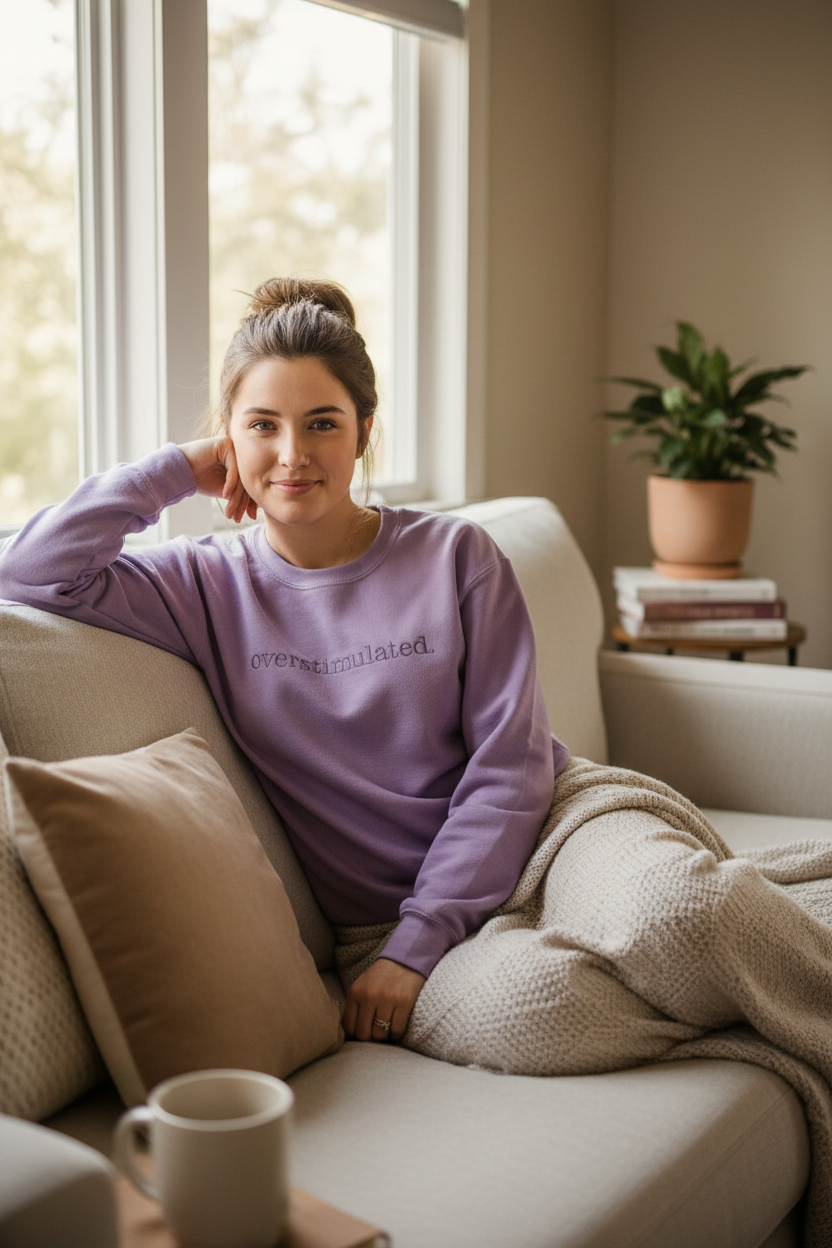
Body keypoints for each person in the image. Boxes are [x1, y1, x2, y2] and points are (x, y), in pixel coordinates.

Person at [0, 277, 569, 1046]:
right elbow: (29, 573)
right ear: (227, 438)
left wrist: (424, 936)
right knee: (551, 1017)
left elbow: (513, 765)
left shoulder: (455, 556)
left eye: (322, 424)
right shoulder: (201, 584)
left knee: (686, 912)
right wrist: (174, 471)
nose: (293, 455)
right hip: (388, 932)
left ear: (363, 432)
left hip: (554, 839)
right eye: (262, 425)